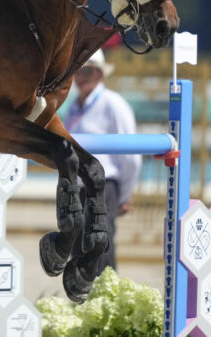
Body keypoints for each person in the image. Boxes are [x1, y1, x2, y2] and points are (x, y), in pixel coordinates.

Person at [62, 49, 141, 273]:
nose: (81, 76)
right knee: (79, 246)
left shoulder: (113, 104)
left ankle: (104, 298)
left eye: (87, 71)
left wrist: (124, 195)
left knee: (100, 246)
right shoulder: (75, 106)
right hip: (79, 188)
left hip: (103, 185)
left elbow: (131, 156)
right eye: (77, 71)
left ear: (100, 74)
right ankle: (84, 301)